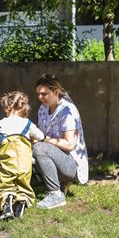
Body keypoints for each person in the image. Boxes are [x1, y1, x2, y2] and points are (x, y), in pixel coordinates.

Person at [33, 74, 89, 209]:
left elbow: (70, 145)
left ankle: (55, 194)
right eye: (38, 94)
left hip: (72, 164)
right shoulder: (43, 108)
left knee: (39, 147)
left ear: (56, 92)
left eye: (44, 94)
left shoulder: (68, 111)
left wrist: (42, 139)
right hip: (56, 155)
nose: (40, 97)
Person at [0, 91, 45, 222]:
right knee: (23, 182)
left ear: (7, 108)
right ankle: (22, 201)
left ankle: (7, 204)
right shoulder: (28, 123)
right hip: (25, 162)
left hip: (8, 162)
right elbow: (41, 137)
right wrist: (31, 138)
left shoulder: (0, 123)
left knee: (5, 183)